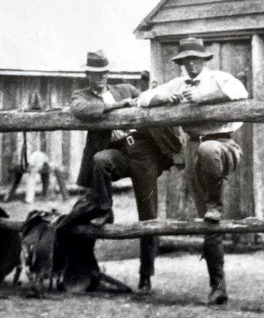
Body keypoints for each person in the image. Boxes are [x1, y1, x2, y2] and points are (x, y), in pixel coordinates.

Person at [137, 37, 249, 305]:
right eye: (185, 61)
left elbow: (240, 93)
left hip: (222, 143)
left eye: (195, 60)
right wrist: (164, 97)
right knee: (208, 220)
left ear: (204, 60)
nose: (191, 65)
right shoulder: (178, 83)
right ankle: (217, 285)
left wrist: (202, 99)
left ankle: (215, 201)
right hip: (192, 148)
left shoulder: (219, 78)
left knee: (208, 151)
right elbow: (143, 98)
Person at [70, 50, 181, 293]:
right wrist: (117, 109)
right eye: (96, 74)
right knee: (100, 160)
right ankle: (104, 208)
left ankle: (145, 275)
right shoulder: (82, 95)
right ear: (88, 74)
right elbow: (81, 110)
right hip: (116, 153)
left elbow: (148, 98)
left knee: (148, 214)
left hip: (143, 154)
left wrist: (162, 98)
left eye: (105, 73)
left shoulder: (126, 89)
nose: (101, 78)